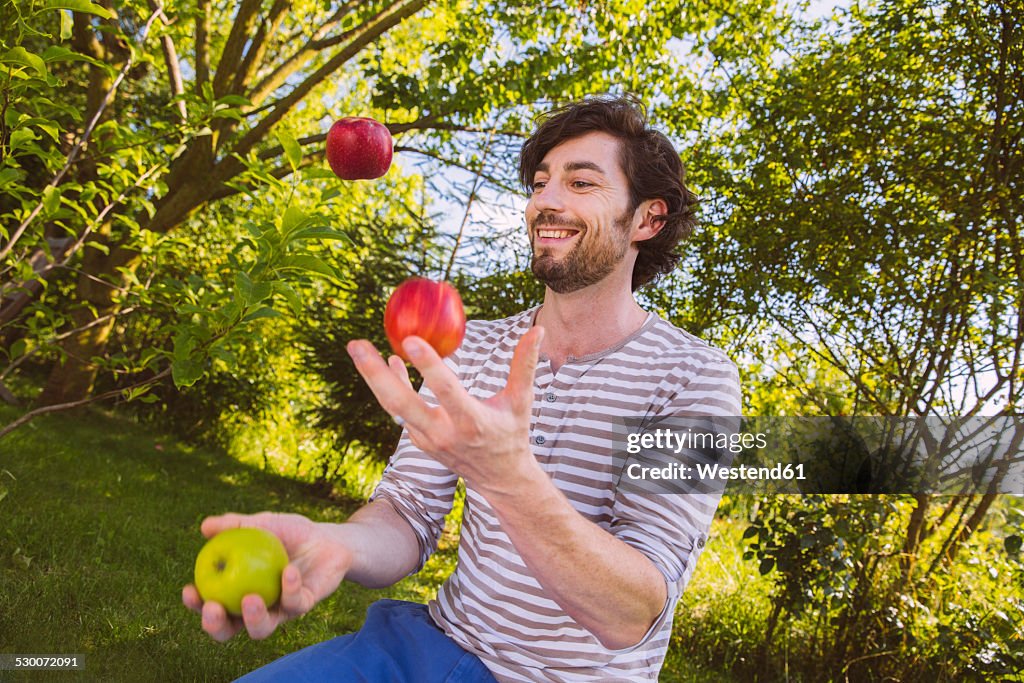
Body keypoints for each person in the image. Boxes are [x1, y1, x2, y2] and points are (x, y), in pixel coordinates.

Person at [182, 94, 741, 681]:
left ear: (647, 219)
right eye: (541, 183)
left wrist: (509, 479)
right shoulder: (473, 345)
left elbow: (633, 613)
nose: (545, 202)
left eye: (581, 184)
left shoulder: (695, 378)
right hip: (433, 647)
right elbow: (409, 512)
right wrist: (336, 544)